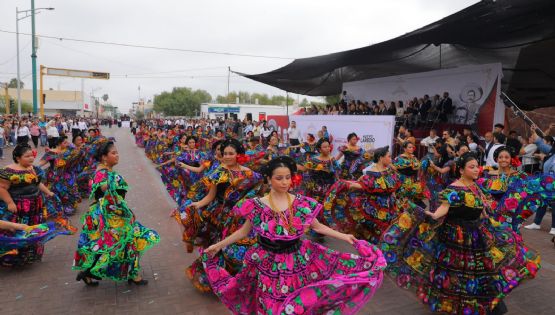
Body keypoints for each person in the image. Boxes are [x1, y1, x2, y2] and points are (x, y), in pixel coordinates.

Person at [202, 156, 386, 315]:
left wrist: (344, 236)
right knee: (270, 304)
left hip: (296, 261)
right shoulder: (256, 204)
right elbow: (243, 231)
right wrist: (219, 245)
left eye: (288, 177)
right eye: (279, 178)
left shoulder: (301, 203)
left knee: (295, 303)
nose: (285, 182)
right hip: (268, 263)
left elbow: (319, 227)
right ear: (268, 179)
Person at [381, 152, 540, 315]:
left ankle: (484, 304)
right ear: (461, 170)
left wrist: (493, 222)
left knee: (482, 270)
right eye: (471, 167)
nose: (476, 170)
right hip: (457, 238)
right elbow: (441, 211)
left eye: (477, 166)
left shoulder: (475, 186)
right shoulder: (453, 189)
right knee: (458, 273)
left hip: (477, 235)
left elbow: (482, 210)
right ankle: (461, 306)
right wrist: (431, 215)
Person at [174, 138, 263, 292]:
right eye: (225, 153)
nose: (227, 156)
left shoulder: (250, 174)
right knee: (219, 247)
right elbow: (211, 196)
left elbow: (259, 190)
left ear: (238, 154)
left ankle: (234, 279)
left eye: (231, 153)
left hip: (240, 218)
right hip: (220, 215)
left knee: (238, 248)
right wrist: (197, 204)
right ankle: (213, 278)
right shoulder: (219, 172)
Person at [73, 141, 160, 286]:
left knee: (111, 244)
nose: (117, 155)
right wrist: (109, 185)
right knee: (127, 241)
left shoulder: (105, 172)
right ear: (104, 157)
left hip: (109, 214)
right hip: (109, 217)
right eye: (113, 153)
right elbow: (102, 187)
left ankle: (90, 272)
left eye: (117, 152)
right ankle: (130, 274)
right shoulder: (102, 174)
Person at [0, 144, 57, 266]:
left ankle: (30, 254)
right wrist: (9, 202)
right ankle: (13, 256)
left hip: (35, 205)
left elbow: (37, 184)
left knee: (33, 229)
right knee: (17, 230)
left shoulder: (34, 169)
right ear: (18, 158)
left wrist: (48, 192)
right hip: (19, 206)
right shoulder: (8, 171)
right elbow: (2, 188)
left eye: (32, 155)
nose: (31, 158)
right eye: (27, 156)